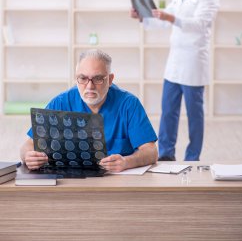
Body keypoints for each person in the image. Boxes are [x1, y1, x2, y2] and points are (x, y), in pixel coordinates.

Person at [131, 0, 220, 161]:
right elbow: (162, 22)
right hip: (174, 63)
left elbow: (200, 24)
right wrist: (142, 17)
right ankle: (166, 154)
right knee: (168, 112)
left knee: (194, 116)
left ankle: (192, 157)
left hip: (194, 63)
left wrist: (171, 18)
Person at [20, 49, 158, 172]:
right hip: (69, 184)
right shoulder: (61, 102)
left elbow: (151, 151)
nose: (89, 86)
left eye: (98, 78)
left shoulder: (128, 104)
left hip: (117, 183)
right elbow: (28, 145)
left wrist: (127, 162)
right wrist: (28, 156)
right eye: (83, 78)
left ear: (110, 79)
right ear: (76, 78)